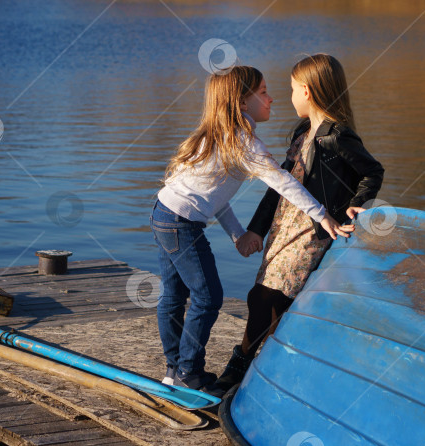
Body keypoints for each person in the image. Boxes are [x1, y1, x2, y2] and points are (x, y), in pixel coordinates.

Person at [150, 65, 351, 390]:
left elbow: (215, 200)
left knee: (173, 295)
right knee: (208, 297)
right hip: (181, 224)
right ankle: (188, 371)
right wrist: (322, 214)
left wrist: (238, 235)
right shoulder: (244, 143)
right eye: (263, 92)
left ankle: (173, 371)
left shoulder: (218, 136)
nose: (271, 99)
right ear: (243, 103)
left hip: (163, 213)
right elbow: (283, 182)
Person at [206, 54, 385, 397]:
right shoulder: (304, 132)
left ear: (307, 90)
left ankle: (245, 372)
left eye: (290, 89)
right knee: (264, 297)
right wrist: (256, 229)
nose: (286, 96)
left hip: (313, 232)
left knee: (272, 297)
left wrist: (353, 208)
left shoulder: (337, 136)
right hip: (284, 226)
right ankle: (256, 372)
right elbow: (280, 186)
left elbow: (372, 171)